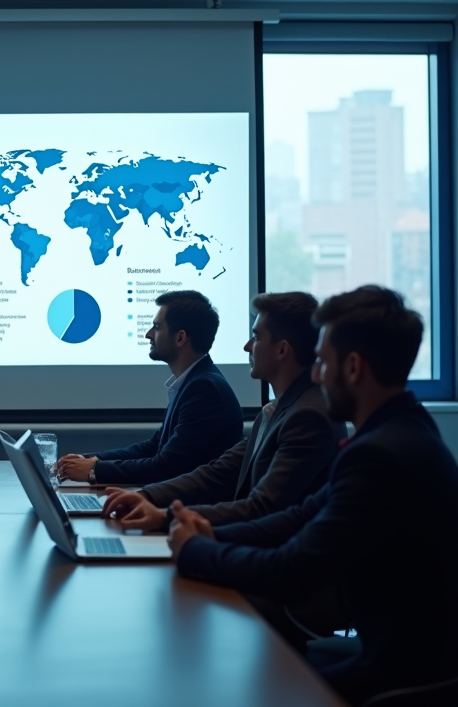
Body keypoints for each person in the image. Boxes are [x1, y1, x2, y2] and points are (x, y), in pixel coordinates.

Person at [169, 286, 458, 706]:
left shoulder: (382, 455)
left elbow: (291, 568)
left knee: (233, 687)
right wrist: (207, 534)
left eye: (323, 362)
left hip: (406, 672)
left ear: (354, 367)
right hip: (407, 654)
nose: (316, 376)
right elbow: (299, 516)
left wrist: (196, 551)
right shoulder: (398, 433)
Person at [102, 292, 345, 530]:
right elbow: (216, 473)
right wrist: (147, 496)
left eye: (256, 337)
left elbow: (262, 508)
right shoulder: (277, 410)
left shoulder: (307, 417)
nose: (247, 346)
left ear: (282, 350)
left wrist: (167, 516)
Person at [57, 290, 242, 485]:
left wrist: (94, 471)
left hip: (194, 510)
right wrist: (92, 460)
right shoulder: (194, 382)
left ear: (180, 338)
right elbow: (152, 447)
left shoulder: (205, 389)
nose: (148, 334)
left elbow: (165, 467)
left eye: (157, 327)